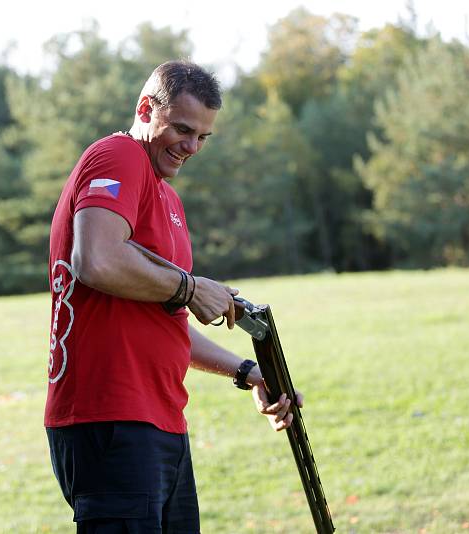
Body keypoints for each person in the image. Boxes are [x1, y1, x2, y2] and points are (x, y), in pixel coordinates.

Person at [46, 60, 302, 533]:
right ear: (146, 108)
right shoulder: (117, 155)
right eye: (182, 130)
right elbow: (96, 260)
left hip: (160, 419)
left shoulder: (167, 197)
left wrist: (247, 372)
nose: (192, 147)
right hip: (111, 418)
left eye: (203, 137)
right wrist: (190, 286)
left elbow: (164, 326)